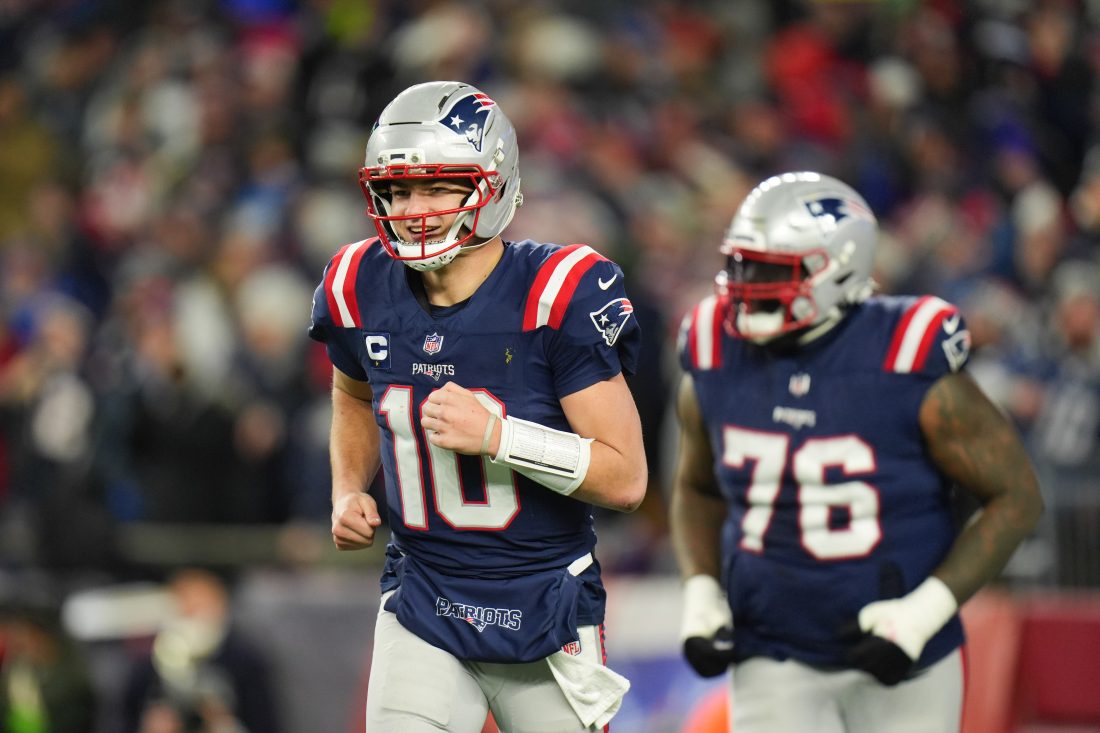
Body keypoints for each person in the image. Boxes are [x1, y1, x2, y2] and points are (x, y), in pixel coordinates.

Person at [308, 80, 647, 732]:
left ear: (494, 184)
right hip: (424, 595)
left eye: (438, 187)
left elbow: (625, 477)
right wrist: (347, 487)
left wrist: (500, 436)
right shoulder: (357, 284)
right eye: (399, 190)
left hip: (545, 600)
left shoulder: (557, 292)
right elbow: (352, 392)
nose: (416, 209)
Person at [671, 171, 1043, 732]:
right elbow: (697, 488)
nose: (747, 285)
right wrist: (702, 592)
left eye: (772, 269)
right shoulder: (712, 349)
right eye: (742, 264)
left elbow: (1016, 497)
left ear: (838, 267)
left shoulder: (906, 356)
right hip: (770, 648)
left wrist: (925, 612)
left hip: (903, 656)